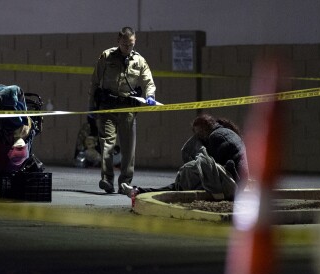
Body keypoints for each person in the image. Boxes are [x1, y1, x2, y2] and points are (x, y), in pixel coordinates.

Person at [88, 26, 157, 193]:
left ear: (135, 42)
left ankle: (125, 182)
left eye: (131, 44)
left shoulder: (139, 61)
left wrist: (151, 96)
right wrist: (91, 106)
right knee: (107, 145)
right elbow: (95, 82)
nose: (128, 47)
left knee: (128, 149)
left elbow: (148, 81)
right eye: (125, 44)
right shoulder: (106, 56)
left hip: (128, 109)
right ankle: (107, 180)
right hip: (107, 108)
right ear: (118, 40)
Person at [120, 113, 249, 200]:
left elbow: (214, 166)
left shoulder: (217, 137)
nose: (197, 137)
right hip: (236, 182)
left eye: (197, 133)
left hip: (232, 185)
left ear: (203, 129)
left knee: (189, 171)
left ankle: (138, 191)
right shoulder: (224, 132)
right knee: (184, 182)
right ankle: (138, 190)